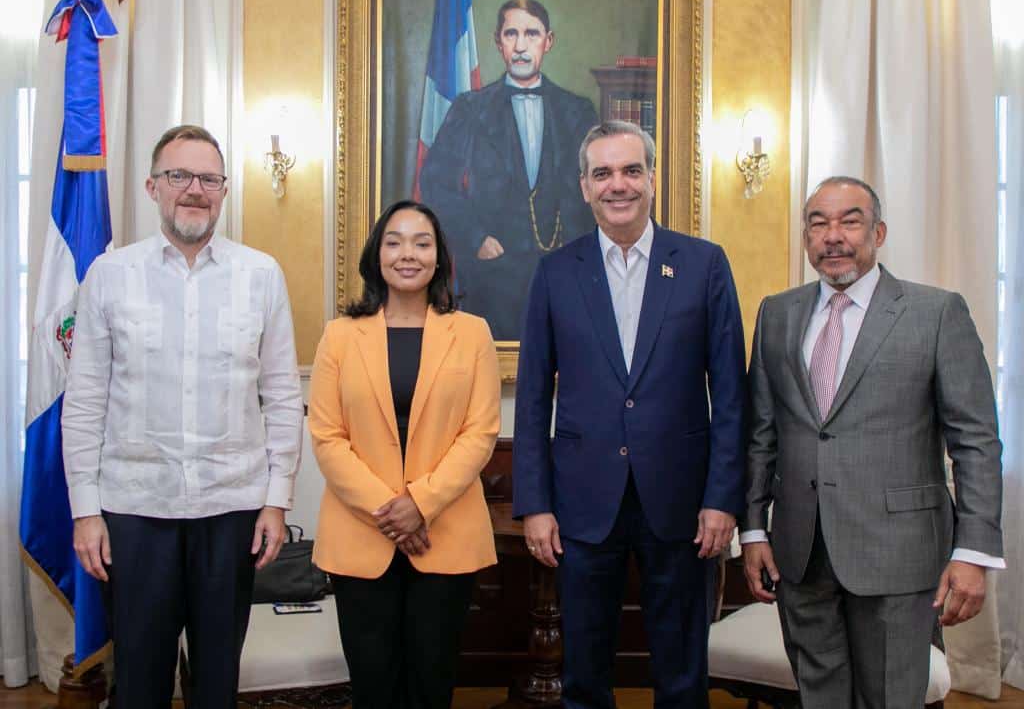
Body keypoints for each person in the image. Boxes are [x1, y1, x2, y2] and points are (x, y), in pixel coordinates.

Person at [62, 124, 304, 706]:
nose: (194, 189)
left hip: (233, 510)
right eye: (179, 176)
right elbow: (86, 399)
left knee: (218, 680)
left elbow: (281, 394)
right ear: (152, 187)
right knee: (140, 681)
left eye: (209, 179)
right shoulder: (109, 276)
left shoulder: (261, 274)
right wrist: (85, 511)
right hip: (135, 509)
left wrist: (276, 499)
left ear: (223, 190)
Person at [741, 176, 1004, 707]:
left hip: (899, 554)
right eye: (818, 223)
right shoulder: (777, 314)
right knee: (819, 697)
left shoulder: (936, 313)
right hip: (800, 552)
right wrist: (752, 529)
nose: (832, 236)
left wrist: (974, 553)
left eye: (849, 221)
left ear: (878, 232)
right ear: (807, 237)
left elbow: (976, 440)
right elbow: (761, 434)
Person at [512, 121, 747, 708]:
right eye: (603, 174)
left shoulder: (703, 264)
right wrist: (535, 505)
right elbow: (534, 396)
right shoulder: (556, 271)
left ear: (652, 179)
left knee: (682, 675)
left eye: (631, 170)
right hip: (583, 506)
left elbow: (732, 395)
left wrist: (722, 499)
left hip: (684, 505)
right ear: (585, 187)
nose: (618, 185)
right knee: (585, 676)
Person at [308, 200, 501, 708]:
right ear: (377, 255)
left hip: (446, 534)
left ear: (439, 257)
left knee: (431, 687)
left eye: (422, 242)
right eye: (394, 242)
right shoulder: (339, 336)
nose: (407, 254)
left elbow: (479, 432)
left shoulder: (473, 333)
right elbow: (327, 436)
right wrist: (391, 510)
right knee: (373, 687)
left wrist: (421, 503)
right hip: (359, 536)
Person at [420, 0, 599, 340]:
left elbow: (594, 188)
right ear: (498, 42)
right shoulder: (469, 108)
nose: (520, 45)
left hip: (563, 271)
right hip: (491, 276)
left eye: (531, 34)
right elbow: (435, 183)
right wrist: (476, 240)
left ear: (548, 41)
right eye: (511, 34)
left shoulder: (578, 110)